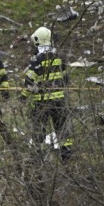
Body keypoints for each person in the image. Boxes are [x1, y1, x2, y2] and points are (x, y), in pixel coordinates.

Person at [21, 26, 73, 161]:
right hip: (60, 100)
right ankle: (66, 153)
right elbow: (66, 78)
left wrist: (23, 96)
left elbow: (30, 81)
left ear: (39, 41)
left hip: (41, 102)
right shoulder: (60, 57)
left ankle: (37, 155)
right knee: (62, 127)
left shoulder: (37, 60)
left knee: (39, 129)